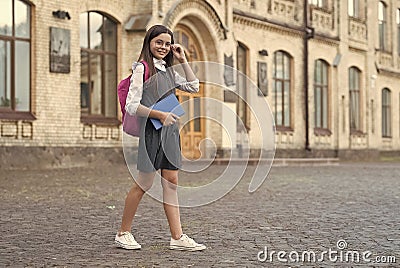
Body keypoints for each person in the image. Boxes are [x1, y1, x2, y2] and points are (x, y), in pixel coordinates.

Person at [115, 25, 206, 251]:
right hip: (151, 130)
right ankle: (123, 233)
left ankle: (177, 237)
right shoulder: (141, 69)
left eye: (167, 43)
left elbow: (194, 86)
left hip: (171, 131)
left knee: (172, 182)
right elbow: (132, 106)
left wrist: (182, 58)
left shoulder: (169, 71)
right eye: (159, 42)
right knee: (144, 183)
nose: (163, 47)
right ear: (149, 43)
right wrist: (159, 114)